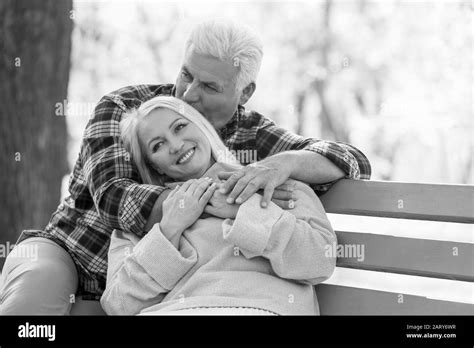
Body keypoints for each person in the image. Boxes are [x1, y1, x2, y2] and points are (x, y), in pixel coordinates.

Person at [0, 19, 370, 315]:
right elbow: (114, 201)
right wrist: (213, 193)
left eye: (209, 85)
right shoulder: (126, 107)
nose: (189, 93)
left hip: (151, 289)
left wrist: (285, 163)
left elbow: (352, 161)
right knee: (29, 317)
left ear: (243, 93)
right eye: (186, 74)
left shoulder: (254, 136)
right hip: (73, 253)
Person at [101, 96, 337, 315]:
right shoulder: (140, 220)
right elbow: (118, 304)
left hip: (260, 308)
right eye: (157, 145)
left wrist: (243, 211)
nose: (175, 145)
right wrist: (169, 230)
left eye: (180, 127)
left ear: (203, 127)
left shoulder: (277, 186)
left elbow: (320, 261)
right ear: (155, 167)